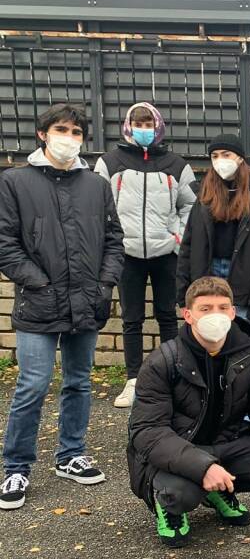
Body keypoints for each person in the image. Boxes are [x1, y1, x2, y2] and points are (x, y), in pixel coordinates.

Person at [0, 103, 125, 511]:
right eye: (61, 129)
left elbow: (113, 240)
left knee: (79, 382)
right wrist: (37, 282)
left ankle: (71, 454)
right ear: (42, 134)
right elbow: (6, 244)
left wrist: (105, 283)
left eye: (75, 131)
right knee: (33, 384)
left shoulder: (96, 184)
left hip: (86, 301)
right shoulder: (14, 182)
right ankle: (16, 466)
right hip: (38, 302)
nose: (68, 137)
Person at [127, 277, 250, 548]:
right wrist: (202, 466)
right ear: (188, 315)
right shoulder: (163, 361)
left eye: (222, 307)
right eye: (205, 309)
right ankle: (170, 507)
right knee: (179, 494)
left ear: (232, 312)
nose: (215, 315)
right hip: (176, 451)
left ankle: (218, 491)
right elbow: (148, 432)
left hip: (225, 443)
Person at [95, 102, 197, 408]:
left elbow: (190, 205)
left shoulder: (176, 164)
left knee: (168, 315)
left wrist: (177, 238)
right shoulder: (109, 163)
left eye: (149, 123)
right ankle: (133, 380)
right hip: (126, 254)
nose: (144, 129)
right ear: (127, 126)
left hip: (165, 253)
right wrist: (111, 243)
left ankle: (170, 376)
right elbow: (99, 207)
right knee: (132, 319)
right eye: (138, 122)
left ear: (159, 127)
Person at [176, 134, 250, 343]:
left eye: (226, 154)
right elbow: (188, 245)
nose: (220, 160)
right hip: (208, 273)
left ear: (240, 158)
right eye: (214, 155)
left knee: (246, 347)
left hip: (243, 277)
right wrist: (183, 294)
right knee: (208, 344)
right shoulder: (205, 194)